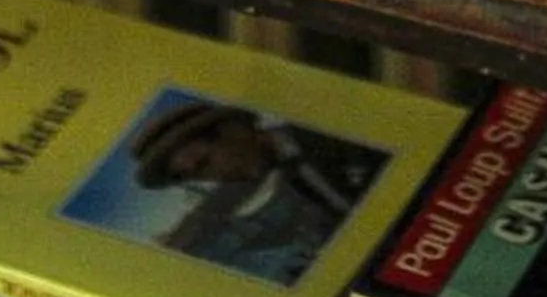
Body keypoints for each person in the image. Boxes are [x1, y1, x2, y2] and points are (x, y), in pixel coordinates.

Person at [126, 97, 388, 285]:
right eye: (196, 175)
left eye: (205, 162)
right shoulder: (291, 176)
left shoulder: (328, 134)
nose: (214, 178)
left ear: (233, 130)